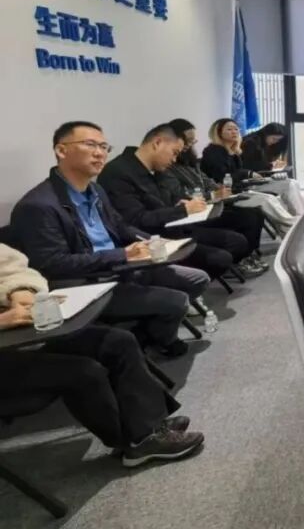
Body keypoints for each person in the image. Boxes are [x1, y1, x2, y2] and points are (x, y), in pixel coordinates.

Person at [11, 122, 205, 356]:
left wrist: (155, 241)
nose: (100, 153)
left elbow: (120, 226)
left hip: (121, 267)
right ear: (61, 151)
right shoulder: (38, 205)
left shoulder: (95, 190)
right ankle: (145, 341)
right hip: (88, 282)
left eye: (104, 147)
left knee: (195, 279)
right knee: (176, 301)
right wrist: (121, 255)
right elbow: (53, 264)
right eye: (90, 145)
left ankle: (143, 335)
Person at [0, 245, 205, 466]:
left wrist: (21, 290)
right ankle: (137, 442)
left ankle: (148, 428)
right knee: (83, 372)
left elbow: (13, 267)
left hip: (18, 334)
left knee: (116, 341)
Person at [97, 125, 252, 283]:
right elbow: (136, 220)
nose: (174, 159)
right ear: (157, 143)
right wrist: (182, 210)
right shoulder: (118, 173)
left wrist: (179, 204)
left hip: (177, 227)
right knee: (219, 258)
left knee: (236, 240)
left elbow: (171, 198)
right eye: (175, 152)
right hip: (153, 239)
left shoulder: (158, 170)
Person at [161, 118, 268, 270]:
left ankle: (249, 256)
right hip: (197, 213)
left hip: (211, 204)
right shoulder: (169, 165)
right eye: (189, 140)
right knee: (248, 217)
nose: (192, 143)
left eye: (193, 140)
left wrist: (219, 189)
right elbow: (182, 195)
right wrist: (213, 195)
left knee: (255, 211)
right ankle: (242, 261)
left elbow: (206, 179)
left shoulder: (189, 159)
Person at [202, 118, 298, 227]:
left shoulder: (234, 151)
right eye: (229, 129)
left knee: (279, 192)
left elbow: (239, 172)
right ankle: (294, 225)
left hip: (241, 188)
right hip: (226, 194)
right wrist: (248, 173)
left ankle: (295, 224)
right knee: (267, 199)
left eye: (236, 129)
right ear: (218, 132)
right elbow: (223, 177)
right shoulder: (213, 151)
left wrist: (248, 174)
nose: (234, 132)